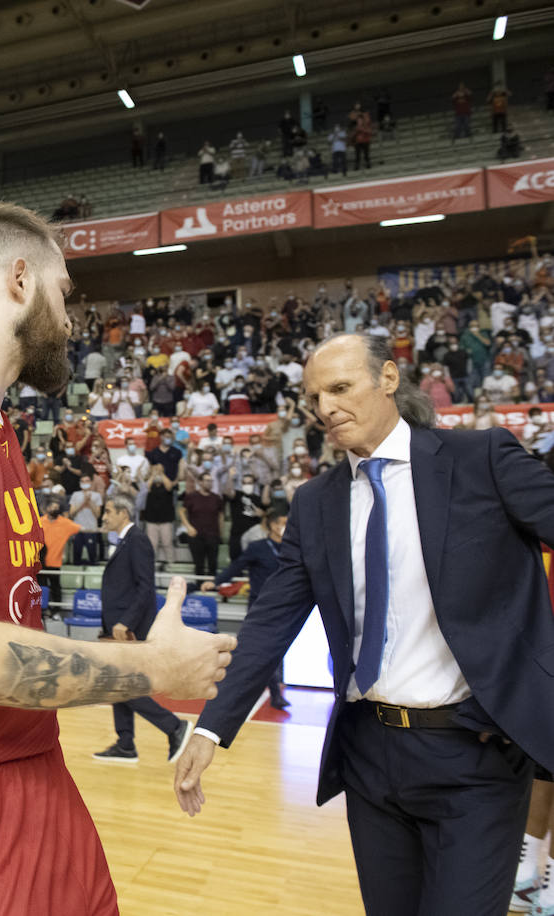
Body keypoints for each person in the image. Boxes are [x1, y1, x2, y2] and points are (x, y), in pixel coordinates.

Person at [0, 202, 235, 915]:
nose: (70, 317)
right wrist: (154, 669)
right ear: (21, 281)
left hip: (29, 761)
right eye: (65, 292)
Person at [175, 332, 554, 916]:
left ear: (388, 379)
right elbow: (271, 622)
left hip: (475, 753)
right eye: (314, 396)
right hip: (371, 756)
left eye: (340, 388)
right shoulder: (314, 502)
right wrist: (209, 728)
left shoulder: (481, 458)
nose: (324, 407)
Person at [93, 493, 193, 764]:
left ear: (124, 514)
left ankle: (173, 726)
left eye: (109, 511)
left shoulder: (137, 540)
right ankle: (125, 744)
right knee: (116, 685)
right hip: (117, 628)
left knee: (120, 686)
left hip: (128, 629)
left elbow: (145, 587)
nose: (105, 516)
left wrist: (126, 621)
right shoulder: (126, 540)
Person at [202, 507, 290, 709]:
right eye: (281, 523)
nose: (284, 527)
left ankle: (275, 687)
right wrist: (216, 581)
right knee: (260, 650)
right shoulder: (257, 547)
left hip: (283, 606)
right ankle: (273, 692)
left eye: (286, 523)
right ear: (272, 525)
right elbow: (236, 566)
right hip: (259, 608)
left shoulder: (290, 548)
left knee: (276, 649)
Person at [178, 472, 223, 578]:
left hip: (212, 535)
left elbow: (221, 516)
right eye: (207, 481)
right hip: (196, 535)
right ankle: (199, 587)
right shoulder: (192, 497)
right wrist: (188, 527)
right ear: (200, 482)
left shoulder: (216, 498)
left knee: (213, 564)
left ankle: (211, 587)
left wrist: (220, 533)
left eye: (211, 481)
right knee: (199, 564)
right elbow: (181, 511)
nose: (209, 483)